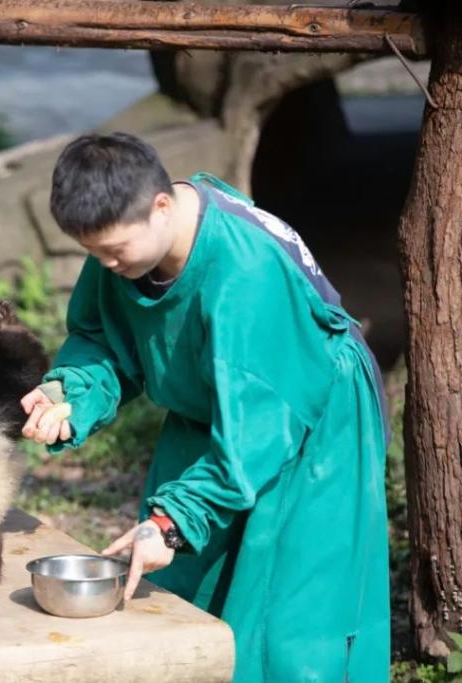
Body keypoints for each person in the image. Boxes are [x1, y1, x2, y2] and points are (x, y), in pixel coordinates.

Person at [20, 132, 390, 682]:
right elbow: (102, 336)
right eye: (93, 253)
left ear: (161, 206)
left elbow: (260, 427)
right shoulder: (127, 242)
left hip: (306, 421)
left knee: (286, 623)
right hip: (213, 408)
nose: (106, 265)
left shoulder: (247, 275)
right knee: (183, 590)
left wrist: (172, 523)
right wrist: (71, 395)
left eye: (115, 251)